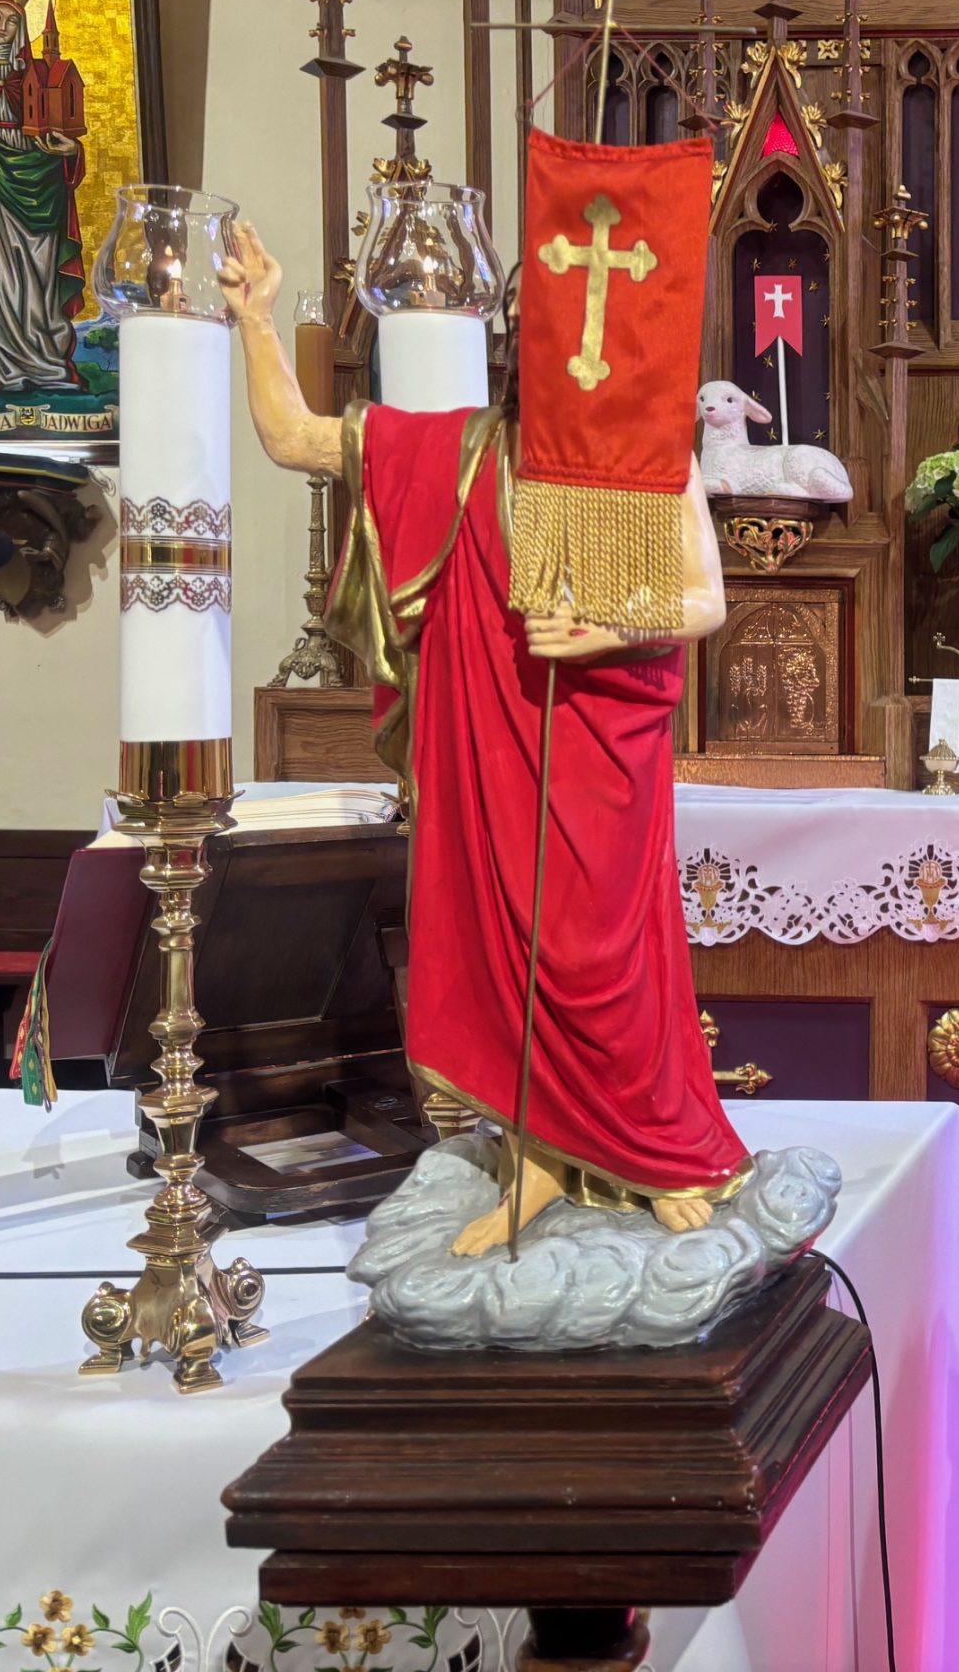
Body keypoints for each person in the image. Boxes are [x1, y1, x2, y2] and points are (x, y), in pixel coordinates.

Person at [224, 222, 749, 1258]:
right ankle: (539, 1160)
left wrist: (605, 627)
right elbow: (297, 440)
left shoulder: (644, 452)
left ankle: (647, 1151)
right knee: (507, 944)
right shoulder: (458, 451)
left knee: (603, 952)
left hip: (603, 754)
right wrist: (256, 320)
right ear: (520, 345)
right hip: (494, 748)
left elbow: (705, 600)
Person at [0, 0, 85, 395]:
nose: (3, 27)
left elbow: (64, 126)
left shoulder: (39, 73)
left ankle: (44, 360)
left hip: (42, 181)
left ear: (22, 26)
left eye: (12, 19)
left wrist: (71, 151)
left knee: (39, 279)